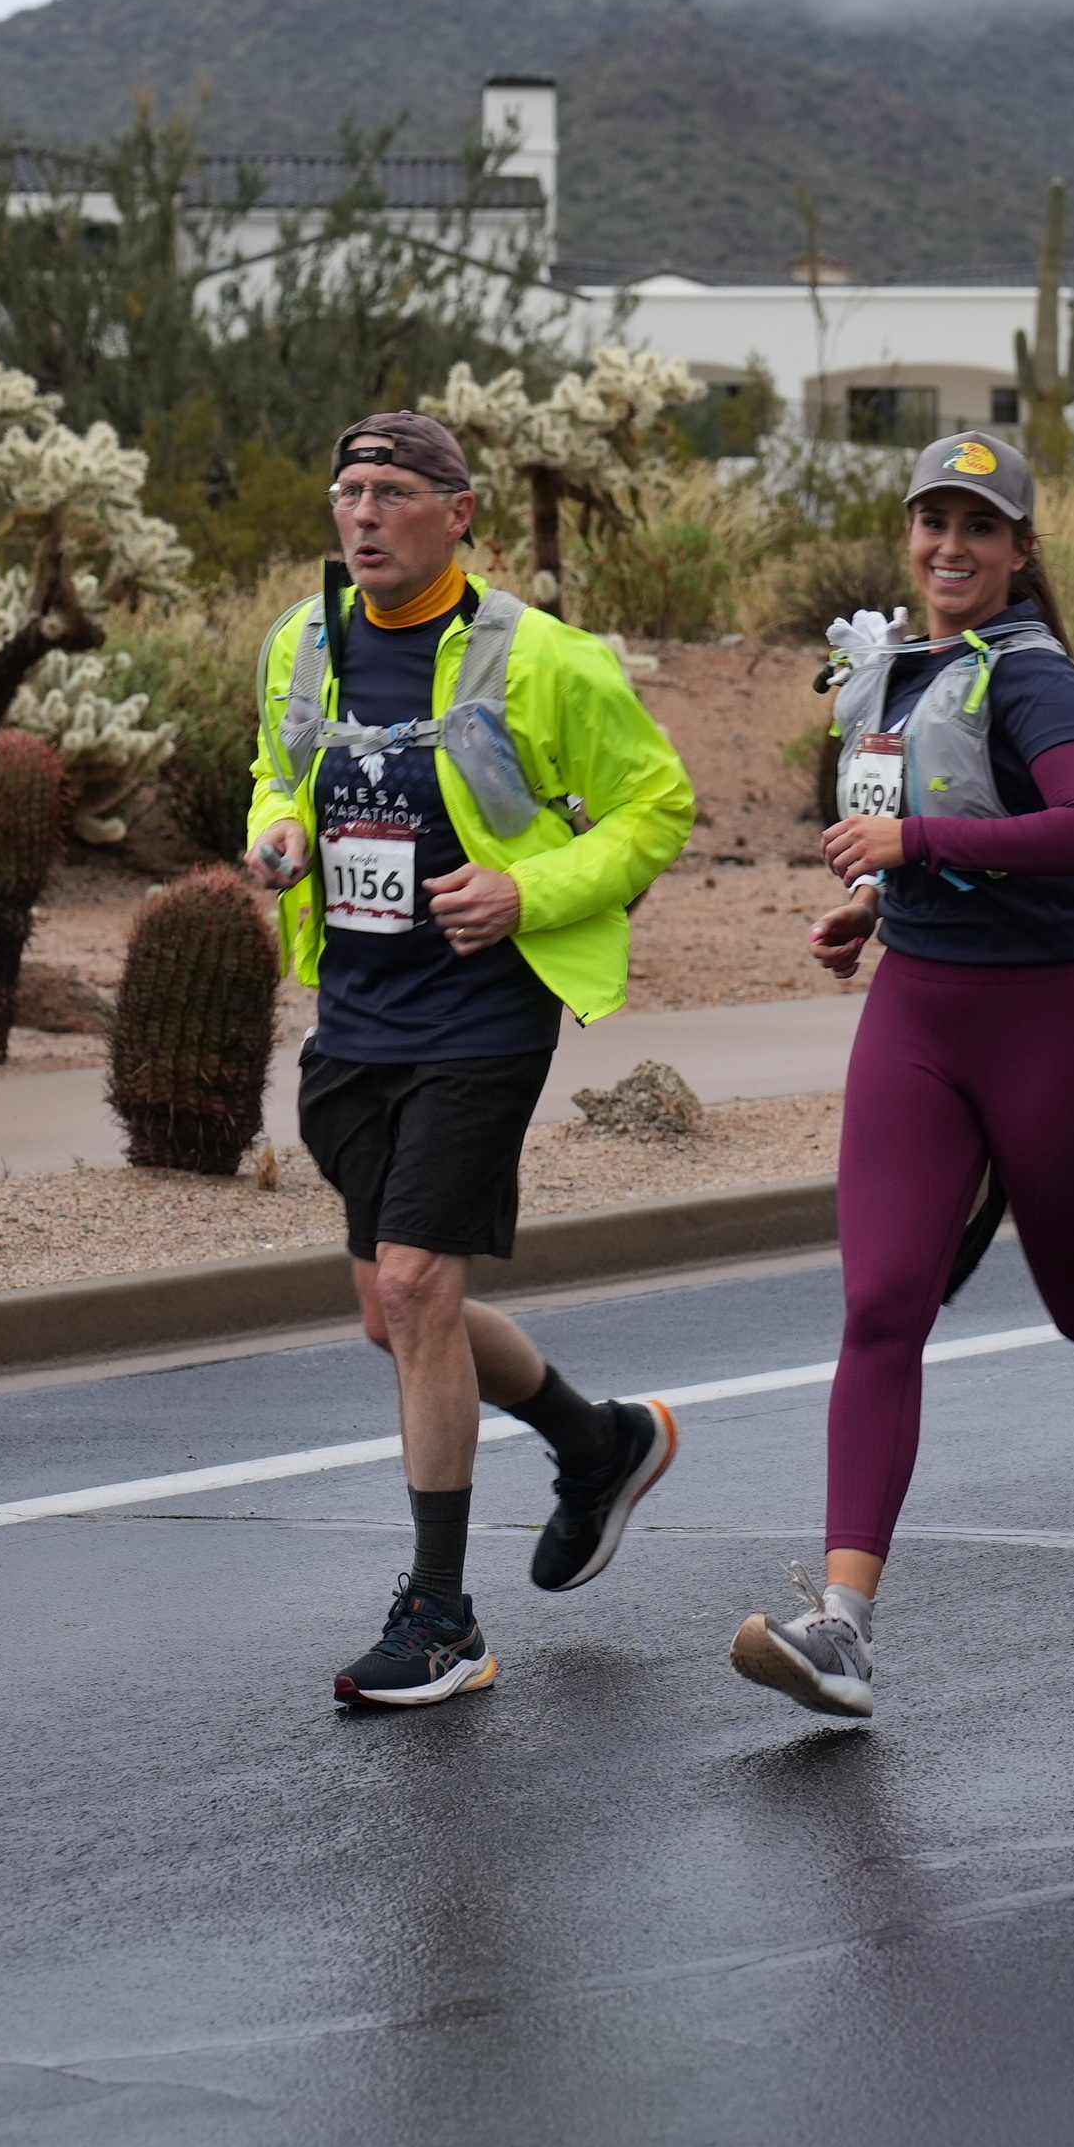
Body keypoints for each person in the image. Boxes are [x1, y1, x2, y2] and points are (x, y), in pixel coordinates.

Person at [732, 431, 1074, 1721]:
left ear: (1021, 550)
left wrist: (913, 841)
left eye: (980, 527)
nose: (951, 547)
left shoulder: (1033, 676)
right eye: (933, 521)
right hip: (920, 1011)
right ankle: (844, 1625)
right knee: (883, 1303)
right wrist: (875, 903)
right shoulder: (891, 670)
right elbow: (943, 826)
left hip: (1059, 1018)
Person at [246, 413, 696, 1709]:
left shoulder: (539, 656)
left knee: (414, 1283)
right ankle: (597, 1444)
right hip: (355, 1015)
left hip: (482, 1017)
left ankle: (441, 1617)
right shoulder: (302, 640)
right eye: (348, 491)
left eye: (392, 490)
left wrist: (527, 891)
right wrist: (279, 834)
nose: (364, 513)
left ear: (460, 514)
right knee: (391, 1314)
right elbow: (273, 773)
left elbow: (657, 805)